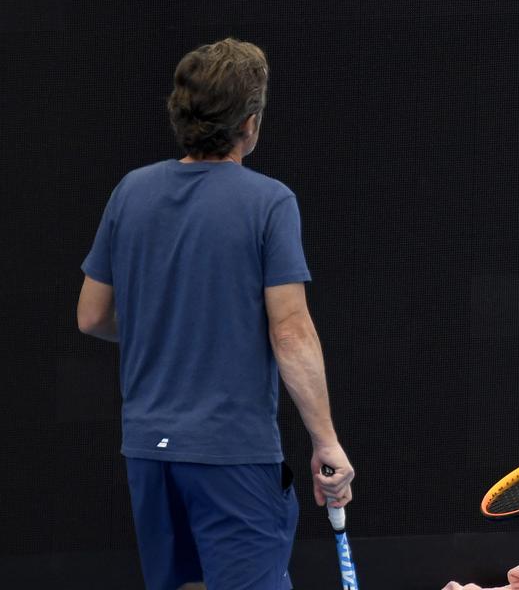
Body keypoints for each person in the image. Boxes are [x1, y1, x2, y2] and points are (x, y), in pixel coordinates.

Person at [77, 38, 354, 590]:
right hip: (231, 454)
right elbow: (291, 330)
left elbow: (92, 316)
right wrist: (326, 442)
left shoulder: (130, 192)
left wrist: (170, 334)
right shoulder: (269, 201)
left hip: (149, 455)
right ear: (250, 124)